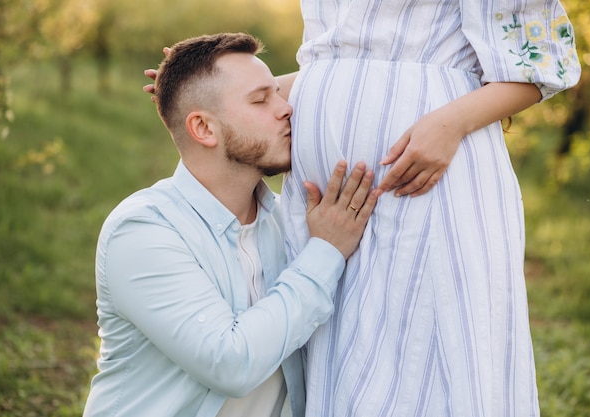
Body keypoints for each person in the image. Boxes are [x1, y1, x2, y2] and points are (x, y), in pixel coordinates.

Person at [144, 2, 581, 415]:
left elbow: (542, 62)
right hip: (319, 195)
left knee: (427, 351)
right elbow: (339, 60)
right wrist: (200, 90)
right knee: (337, 348)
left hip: (421, 169)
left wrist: (450, 123)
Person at [83, 32, 380, 417]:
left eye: (278, 92)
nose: (287, 109)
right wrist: (325, 252)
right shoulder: (142, 231)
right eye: (260, 99)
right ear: (203, 129)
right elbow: (231, 363)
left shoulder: (286, 223)